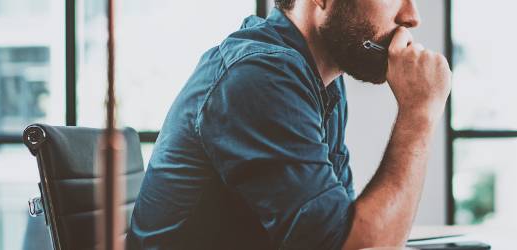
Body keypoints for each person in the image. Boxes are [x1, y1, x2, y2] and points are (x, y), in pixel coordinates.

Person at [127, 0, 451, 249]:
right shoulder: (261, 75)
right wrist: (419, 111)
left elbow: (343, 226)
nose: (412, 16)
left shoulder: (322, 82)